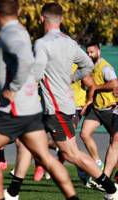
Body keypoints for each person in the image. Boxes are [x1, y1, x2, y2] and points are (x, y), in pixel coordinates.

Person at [0, 1, 78, 199]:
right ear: (20, 11)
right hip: (30, 110)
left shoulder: (9, 34)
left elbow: (25, 61)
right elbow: (16, 65)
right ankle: (73, 197)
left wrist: (13, 89)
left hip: (13, 111)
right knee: (46, 158)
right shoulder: (21, 31)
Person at [30, 3, 117, 199]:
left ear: (42, 18)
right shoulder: (70, 42)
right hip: (64, 107)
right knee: (33, 142)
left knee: (71, 153)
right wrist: (71, 78)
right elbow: (87, 65)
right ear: (61, 19)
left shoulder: (41, 44)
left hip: (56, 108)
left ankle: (111, 189)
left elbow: (35, 74)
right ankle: (14, 189)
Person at [80, 42, 118, 171]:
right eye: (88, 52)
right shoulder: (89, 68)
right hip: (96, 109)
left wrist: (96, 88)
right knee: (84, 134)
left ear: (99, 52)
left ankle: (110, 174)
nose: (89, 54)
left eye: (92, 52)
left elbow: (114, 83)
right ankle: (97, 162)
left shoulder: (105, 67)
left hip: (110, 109)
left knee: (114, 142)